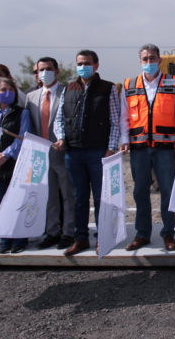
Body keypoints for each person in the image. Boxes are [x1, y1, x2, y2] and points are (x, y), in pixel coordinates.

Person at [52, 50, 120, 256]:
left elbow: (115, 120)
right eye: (80, 63)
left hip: (98, 152)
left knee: (101, 198)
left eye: (87, 63)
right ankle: (80, 238)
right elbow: (59, 118)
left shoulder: (108, 88)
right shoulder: (69, 89)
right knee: (79, 198)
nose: (83, 67)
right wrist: (61, 137)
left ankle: (102, 237)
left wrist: (111, 147)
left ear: (96, 66)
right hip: (73, 153)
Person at [118, 44, 175, 252]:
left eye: (152, 58)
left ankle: (168, 233)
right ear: (140, 62)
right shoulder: (129, 84)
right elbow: (124, 116)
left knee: (167, 190)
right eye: (145, 59)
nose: (149, 62)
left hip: (164, 147)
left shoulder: (173, 83)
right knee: (140, 192)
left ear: (160, 60)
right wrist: (124, 138)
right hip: (138, 148)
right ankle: (142, 234)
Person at [25, 57, 76, 251]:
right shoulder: (31, 97)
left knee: (68, 196)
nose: (44, 73)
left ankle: (69, 232)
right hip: (41, 155)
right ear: (36, 72)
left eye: (48, 69)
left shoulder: (69, 92)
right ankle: (52, 231)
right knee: (48, 196)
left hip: (63, 154)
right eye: (40, 70)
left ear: (57, 70)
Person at [0, 78, 32, 253]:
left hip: (15, 163)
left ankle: (19, 239)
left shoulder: (22, 113)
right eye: (3, 89)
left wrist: (6, 155)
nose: (8, 92)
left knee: (17, 201)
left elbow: (23, 137)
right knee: (1, 203)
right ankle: (5, 238)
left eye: (11, 89)